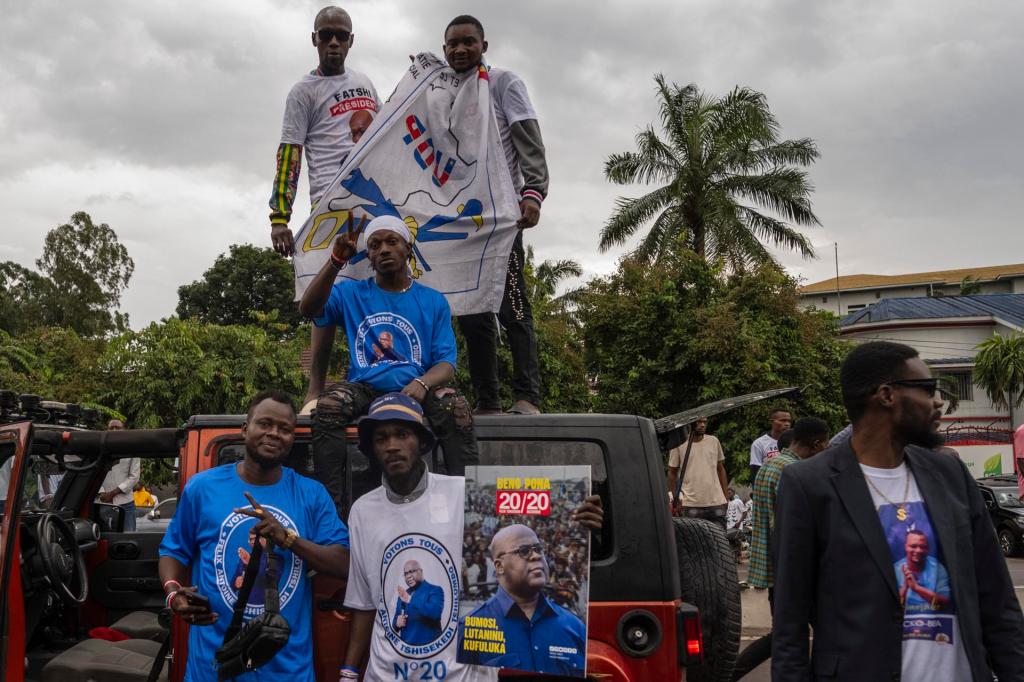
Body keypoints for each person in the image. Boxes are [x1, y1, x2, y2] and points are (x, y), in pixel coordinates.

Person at [772, 342, 1024, 681]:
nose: (938, 402)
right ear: (887, 395)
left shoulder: (950, 475)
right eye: (928, 389)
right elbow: (790, 622)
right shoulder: (809, 485)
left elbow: (997, 601)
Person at [340, 392, 602, 681]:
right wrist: (350, 671)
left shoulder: (464, 492)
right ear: (372, 449)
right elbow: (364, 604)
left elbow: (540, 505)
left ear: (421, 442)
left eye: (402, 434)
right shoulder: (362, 511)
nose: (391, 446)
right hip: (385, 675)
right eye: (381, 438)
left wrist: (580, 515)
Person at [158, 390, 350, 682]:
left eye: (285, 429)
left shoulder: (311, 495)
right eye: (265, 424)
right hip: (212, 669)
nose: (274, 433)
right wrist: (173, 593)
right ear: (245, 429)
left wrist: (287, 539)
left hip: (287, 672)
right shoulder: (202, 488)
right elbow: (174, 551)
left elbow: (343, 563)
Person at [298, 214, 477, 516]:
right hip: (365, 386)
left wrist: (422, 384)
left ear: (408, 248)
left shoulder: (433, 301)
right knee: (327, 407)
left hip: (415, 387)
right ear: (367, 255)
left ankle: (467, 508)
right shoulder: (351, 292)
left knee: (456, 407)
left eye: (391, 242)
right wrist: (336, 259)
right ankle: (332, 512)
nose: (383, 250)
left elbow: (446, 364)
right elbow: (309, 308)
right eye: (374, 245)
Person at [267, 6, 380, 420]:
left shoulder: (365, 82)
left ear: (352, 41)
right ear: (314, 39)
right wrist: (280, 216)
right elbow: (289, 154)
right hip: (329, 207)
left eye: (341, 36)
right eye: (326, 35)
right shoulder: (303, 92)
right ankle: (316, 386)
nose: (334, 42)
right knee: (326, 298)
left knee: (373, 291)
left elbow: (385, 135)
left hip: (371, 202)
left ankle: (370, 376)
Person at [444, 15, 549, 416]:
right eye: (452, 44)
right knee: (471, 312)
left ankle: (527, 396)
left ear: (483, 46)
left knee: (514, 304)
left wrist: (534, 193)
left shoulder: (504, 82)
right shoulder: (441, 89)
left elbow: (528, 140)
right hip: (459, 222)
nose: (460, 50)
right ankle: (487, 400)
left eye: (468, 42)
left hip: (501, 218)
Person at [733, 417, 829, 680]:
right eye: (826, 446)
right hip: (793, 566)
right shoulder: (793, 472)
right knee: (807, 632)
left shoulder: (771, 466)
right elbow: (787, 523)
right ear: (818, 444)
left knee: (786, 634)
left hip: (775, 564)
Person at [458, 524, 586, 676]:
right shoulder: (469, 629)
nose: (536, 556)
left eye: (538, 549)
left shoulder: (574, 626)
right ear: (499, 566)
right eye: (524, 551)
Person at [666, 418, 729, 527]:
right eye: (699, 422)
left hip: (716, 502)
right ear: (690, 424)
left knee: (720, 540)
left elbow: (720, 468)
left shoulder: (713, 441)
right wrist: (674, 499)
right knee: (694, 542)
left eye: (705, 422)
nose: (702, 425)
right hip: (690, 503)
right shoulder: (678, 445)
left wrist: (726, 496)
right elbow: (672, 473)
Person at [97, 419, 141, 531]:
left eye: (117, 427)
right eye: (111, 428)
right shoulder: (99, 449)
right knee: (105, 539)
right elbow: (95, 473)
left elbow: (134, 476)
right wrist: (102, 492)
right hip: (103, 502)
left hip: (126, 503)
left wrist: (112, 493)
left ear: (124, 430)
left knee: (128, 538)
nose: (114, 430)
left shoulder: (133, 449)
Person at [392, 559, 444, 645]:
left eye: (411, 571)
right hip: (406, 652)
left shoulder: (435, 590)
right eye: (406, 574)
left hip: (429, 652)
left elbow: (435, 613)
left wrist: (410, 599)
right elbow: (395, 623)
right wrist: (396, 624)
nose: (408, 576)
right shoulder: (403, 595)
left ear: (421, 571)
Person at [748, 408, 791, 480]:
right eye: (783, 420)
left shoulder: (794, 441)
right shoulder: (759, 443)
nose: (787, 424)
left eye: (789, 421)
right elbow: (755, 470)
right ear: (772, 422)